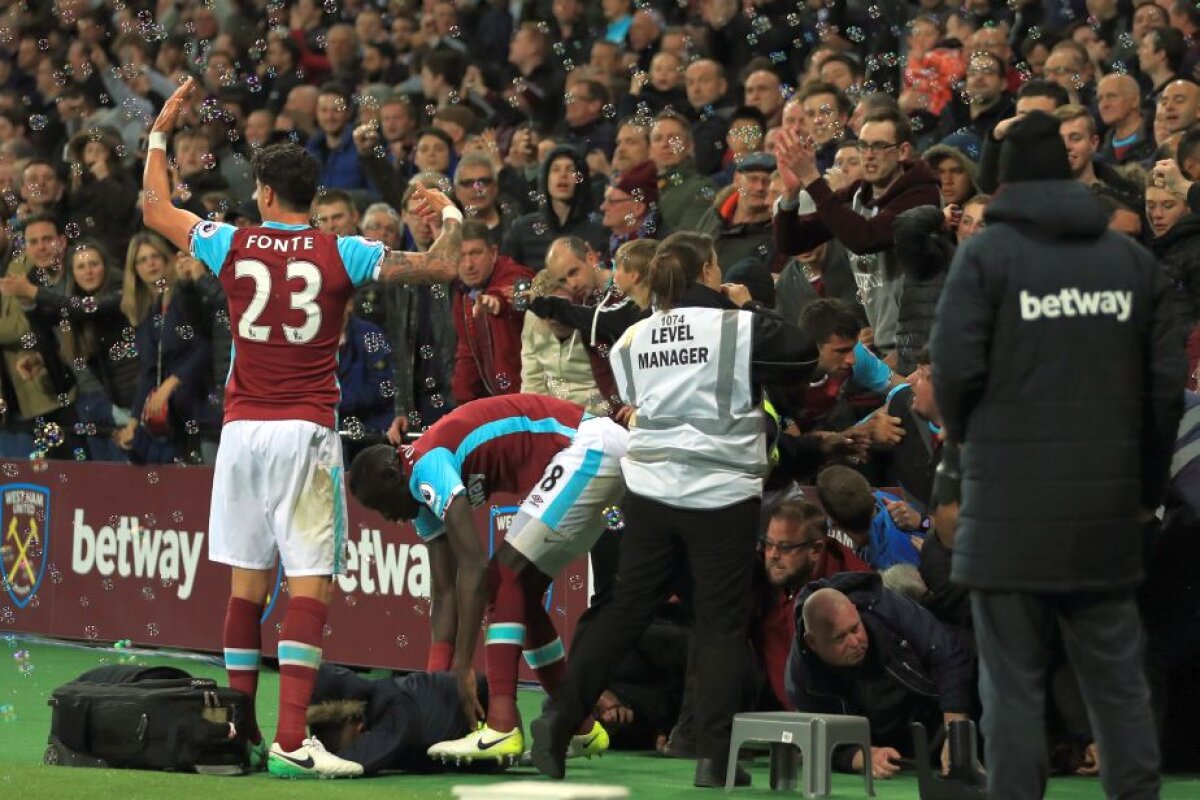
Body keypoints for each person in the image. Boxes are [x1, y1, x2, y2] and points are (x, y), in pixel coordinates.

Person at [141, 77, 464, 780]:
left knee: (245, 591)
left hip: (241, 434)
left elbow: (154, 205)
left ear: (263, 193)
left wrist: (163, 130)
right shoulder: (340, 250)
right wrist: (452, 213)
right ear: (313, 198)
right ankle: (291, 739)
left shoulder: (230, 240)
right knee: (309, 586)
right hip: (304, 432)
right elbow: (441, 264)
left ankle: (239, 735)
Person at [930, 110, 1187, 800]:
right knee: (1117, 678)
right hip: (1105, 508)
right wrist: (1143, 486)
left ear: (1004, 177)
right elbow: (1166, 391)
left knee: (1011, 684)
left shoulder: (986, 255)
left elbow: (952, 373)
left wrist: (971, 447)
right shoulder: (1131, 261)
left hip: (1007, 506)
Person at [529, 231, 819, 789]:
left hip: (651, 490)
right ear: (708, 270)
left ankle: (561, 722)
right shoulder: (737, 326)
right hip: (720, 493)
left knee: (625, 610)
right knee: (719, 625)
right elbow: (801, 352)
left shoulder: (633, 337)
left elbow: (643, 398)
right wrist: (747, 304)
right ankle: (713, 758)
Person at [348, 394, 628, 765]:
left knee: (502, 577)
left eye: (382, 505)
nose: (388, 517)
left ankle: (501, 726)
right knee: (520, 597)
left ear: (392, 474)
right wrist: (434, 689)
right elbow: (445, 592)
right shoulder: (417, 495)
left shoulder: (427, 464)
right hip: (591, 453)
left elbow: (475, 567)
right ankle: (580, 726)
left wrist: (464, 665)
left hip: (589, 447)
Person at [787, 575, 974, 779]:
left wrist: (956, 735)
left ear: (854, 608)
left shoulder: (884, 607)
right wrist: (860, 756)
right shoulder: (802, 677)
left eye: (855, 628)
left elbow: (947, 652)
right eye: (840, 638)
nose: (855, 641)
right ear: (812, 642)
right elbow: (815, 741)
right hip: (897, 748)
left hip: (947, 709)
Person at [306, 664, 486, 775]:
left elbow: (349, 762)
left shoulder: (394, 710)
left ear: (357, 724)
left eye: (329, 735)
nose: (324, 743)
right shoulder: (379, 701)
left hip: (485, 713)